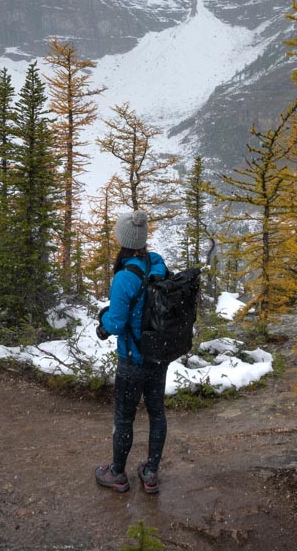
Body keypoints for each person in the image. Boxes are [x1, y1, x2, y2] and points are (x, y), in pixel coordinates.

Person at [94, 209, 169, 495]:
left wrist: (102, 321)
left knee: (124, 418)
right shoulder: (157, 264)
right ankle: (150, 473)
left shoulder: (125, 277)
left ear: (122, 239)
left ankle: (117, 474)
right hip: (158, 357)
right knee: (156, 413)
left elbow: (115, 323)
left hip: (132, 361)